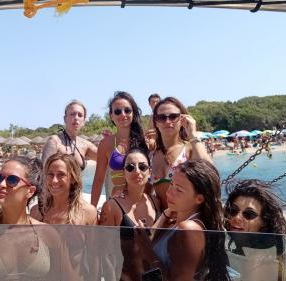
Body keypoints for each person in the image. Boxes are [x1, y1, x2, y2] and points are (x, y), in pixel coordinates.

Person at [0, 156, 77, 280]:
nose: (1, 184)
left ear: (30, 191)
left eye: (12, 180)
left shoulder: (47, 233)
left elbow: (66, 277)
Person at [149, 159, 230, 281]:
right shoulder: (175, 221)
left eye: (179, 190)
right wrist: (165, 215)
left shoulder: (188, 229)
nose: (169, 192)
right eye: (171, 184)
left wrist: (144, 246)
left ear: (199, 199)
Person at [99, 148, 161, 281]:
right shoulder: (112, 207)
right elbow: (105, 254)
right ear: (124, 172)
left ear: (149, 172)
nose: (137, 171)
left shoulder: (156, 202)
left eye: (142, 166)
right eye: (130, 167)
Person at [149, 97, 212, 210]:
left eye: (173, 116)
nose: (168, 122)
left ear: (182, 119)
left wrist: (192, 135)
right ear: (156, 122)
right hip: (162, 220)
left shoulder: (189, 149)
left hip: (187, 219)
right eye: (162, 117)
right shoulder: (151, 155)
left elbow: (210, 174)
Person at [90, 91, 148, 207]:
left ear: (133, 113)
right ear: (111, 115)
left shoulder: (145, 142)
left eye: (127, 110)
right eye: (117, 111)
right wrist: (92, 209)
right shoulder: (106, 144)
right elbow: (98, 179)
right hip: (116, 205)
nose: (123, 114)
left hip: (141, 205)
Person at [224, 179, 286, 281]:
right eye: (233, 211)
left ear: (264, 222)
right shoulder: (242, 250)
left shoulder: (262, 258)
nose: (237, 218)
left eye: (249, 214)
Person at [41, 100, 97, 170]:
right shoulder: (54, 142)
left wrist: (109, 140)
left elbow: (107, 157)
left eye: (80, 115)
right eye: (72, 114)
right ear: (65, 119)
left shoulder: (85, 145)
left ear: (84, 121)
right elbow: (44, 172)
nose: (76, 118)